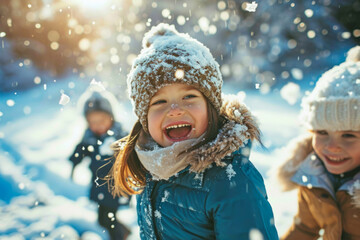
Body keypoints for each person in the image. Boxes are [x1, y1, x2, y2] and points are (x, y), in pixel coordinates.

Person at [108, 23, 279, 240]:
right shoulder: (151, 166)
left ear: (212, 107)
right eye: (159, 101)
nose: (175, 110)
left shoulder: (231, 182)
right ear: (144, 119)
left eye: (188, 97)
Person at [277, 45, 360, 240]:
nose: (331, 146)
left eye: (348, 135)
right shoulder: (314, 176)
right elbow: (304, 229)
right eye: (322, 132)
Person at [69, 89, 131, 240]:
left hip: (115, 186)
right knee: (102, 219)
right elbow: (81, 150)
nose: (98, 126)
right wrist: (74, 161)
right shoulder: (89, 137)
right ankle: (124, 232)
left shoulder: (119, 136)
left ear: (111, 117)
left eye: (102, 120)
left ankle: (120, 236)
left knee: (108, 220)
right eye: (93, 122)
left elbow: (132, 154)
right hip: (98, 184)